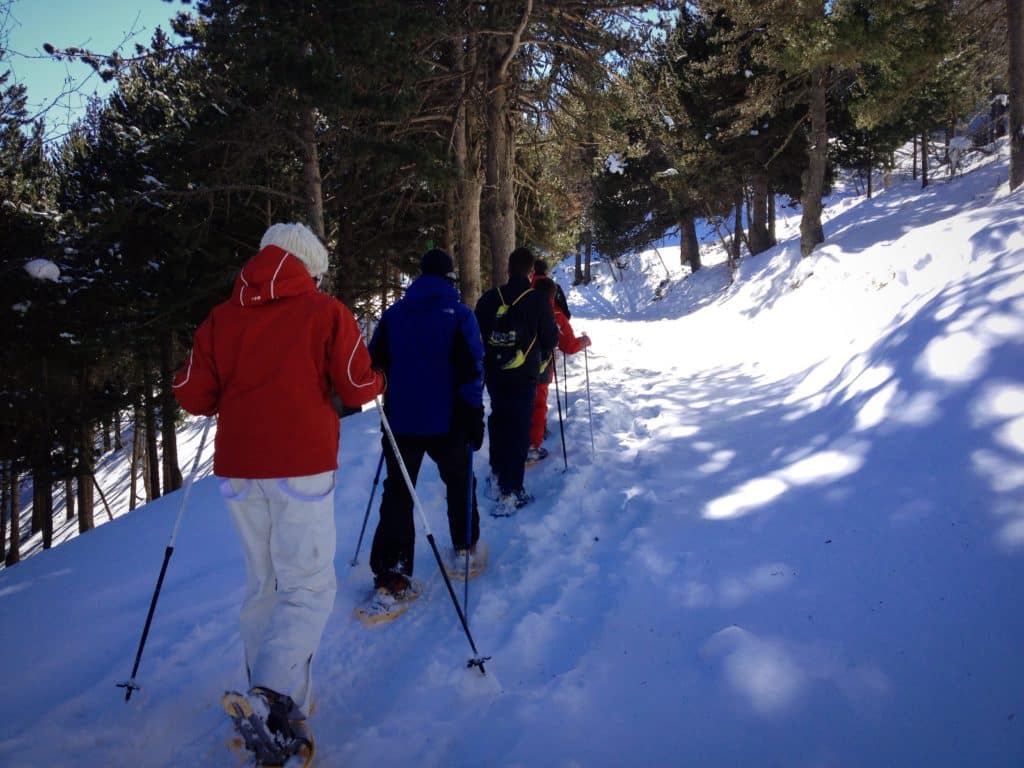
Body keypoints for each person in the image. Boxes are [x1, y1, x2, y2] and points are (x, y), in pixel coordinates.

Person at [173, 222, 385, 755]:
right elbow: (358, 384)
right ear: (308, 266)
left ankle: (277, 698)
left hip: (241, 468)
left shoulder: (222, 317)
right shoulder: (324, 311)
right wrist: (380, 376)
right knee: (309, 585)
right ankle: (271, 699)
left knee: (264, 582)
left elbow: (192, 395)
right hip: (302, 464)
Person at [367, 248, 485, 596]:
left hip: (401, 422)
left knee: (399, 492)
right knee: (460, 480)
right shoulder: (461, 315)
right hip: (449, 421)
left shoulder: (394, 315)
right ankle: (465, 548)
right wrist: (475, 415)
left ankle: (393, 572)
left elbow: (374, 364)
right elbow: (472, 372)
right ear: (449, 277)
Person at [475, 247, 558, 514]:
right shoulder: (538, 300)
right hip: (524, 374)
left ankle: (498, 475)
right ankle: (512, 489)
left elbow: (478, 333)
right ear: (532, 272)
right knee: (520, 426)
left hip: (495, 373)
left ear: (508, 269)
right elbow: (550, 339)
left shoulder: (489, 299)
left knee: (499, 420)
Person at [527, 277, 591, 462]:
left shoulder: (521, 305)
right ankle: (532, 445)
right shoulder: (556, 314)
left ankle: (517, 442)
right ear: (553, 294)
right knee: (538, 406)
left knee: (520, 404)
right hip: (542, 365)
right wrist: (584, 341)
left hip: (516, 366)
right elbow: (569, 346)